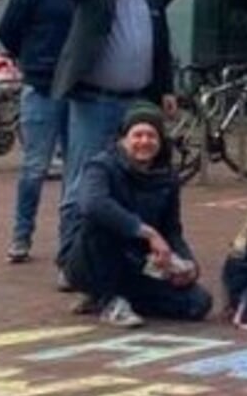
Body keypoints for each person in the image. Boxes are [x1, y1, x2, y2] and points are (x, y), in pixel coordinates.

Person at [50, 0, 184, 282]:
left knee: (134, 183)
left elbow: (159, 43)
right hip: (94, 101)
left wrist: (166, 89)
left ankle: (127, 261)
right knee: (81, 183)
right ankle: (71, 264)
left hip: (136, 104)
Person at [0, 0, 95, 265]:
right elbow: (8, 28)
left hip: (83, 92)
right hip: (42, 87)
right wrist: (33, 60)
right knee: (35, 167)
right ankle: (21, 235)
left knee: (78, 170)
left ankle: (69, 246)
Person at [65, 104, 212, 328]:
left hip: (138, 263)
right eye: (138, 135)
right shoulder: (101, 166)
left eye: (152, 135)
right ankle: (108, 299)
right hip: (92, 259)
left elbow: (172, 229)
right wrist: (145, 231)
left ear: (161, 141)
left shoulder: (167, 177)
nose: (144, 141)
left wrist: (187, 264)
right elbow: (93, 204)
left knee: (198, 303)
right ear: (124, 139)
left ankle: (118, 298)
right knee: (99, 224)